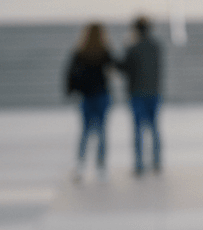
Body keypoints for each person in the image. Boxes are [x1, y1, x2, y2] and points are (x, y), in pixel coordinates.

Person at [65, 23, 113, 181]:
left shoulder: (80, 52)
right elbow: (115, 67)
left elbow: (70, 74)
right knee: (101, 131)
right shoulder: (104, 51)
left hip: (86, 96)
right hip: (101, 95)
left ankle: (80, 165)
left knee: (85, 131)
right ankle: (101, 167)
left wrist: (70, 91)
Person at [118, 16, 163, 175]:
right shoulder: (156, 46)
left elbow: (124, 68)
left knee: (138, 129)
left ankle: (139, 164)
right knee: (154, 127)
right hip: (154, 91)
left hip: (137, 92)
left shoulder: (133, 48)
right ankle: (157, 161)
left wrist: (126, 46)